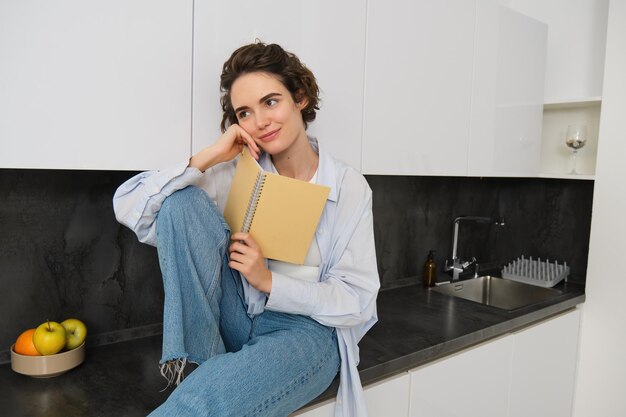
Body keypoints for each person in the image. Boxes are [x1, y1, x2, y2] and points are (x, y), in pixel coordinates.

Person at [113, 42, 380, 417]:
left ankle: (208, 381)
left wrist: (269, 281)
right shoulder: (237, 171)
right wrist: (208, 157)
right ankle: (202, 363)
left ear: (299, 98)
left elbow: (357, 300)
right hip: (236, 318)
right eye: (245, 112)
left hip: (307, 333)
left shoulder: (349, 186)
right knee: (181, 203)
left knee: (206, 403)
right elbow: (130, 209)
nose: (261, 121)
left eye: (271, 102)